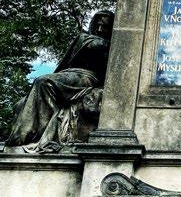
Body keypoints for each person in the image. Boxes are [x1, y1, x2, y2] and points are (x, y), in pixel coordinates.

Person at [7, 10, 114, 153]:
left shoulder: (112, 45)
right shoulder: (83, 38)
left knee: (43, 82)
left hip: (88, 77)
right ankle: (31, 137)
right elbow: (66, 62)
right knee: (21, 103)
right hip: (69, 74)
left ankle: (32, 136)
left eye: (105, 27)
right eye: (98, 25)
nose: (100, 29)